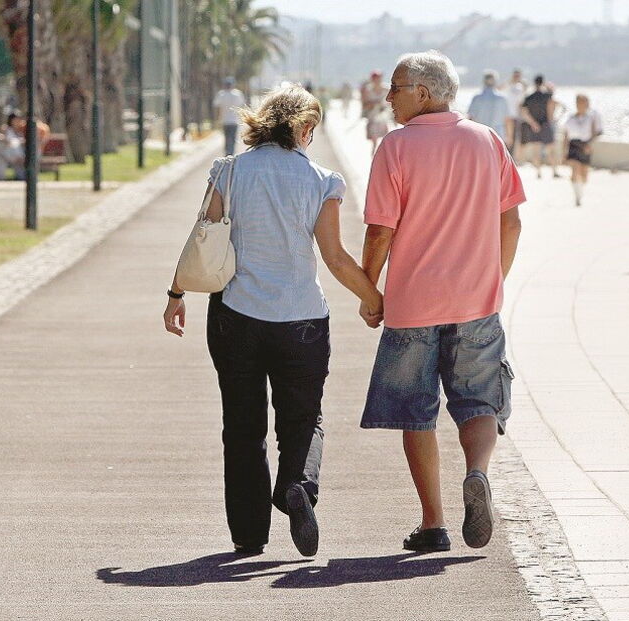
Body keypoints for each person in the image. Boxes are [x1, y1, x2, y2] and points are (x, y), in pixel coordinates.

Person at [163, 85, 383, 557]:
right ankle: (297, 486)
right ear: (305, 129)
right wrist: (375, 300)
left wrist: (176, 294)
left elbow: (202, 239)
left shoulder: (228, 170)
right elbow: (335, 258)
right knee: (303, 419)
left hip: (235, 316)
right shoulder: (323, 180)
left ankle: (248, 534)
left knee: (242, 425)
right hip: (301, 318)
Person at [359, 50, 525, 553]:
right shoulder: (486, 139)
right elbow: (511, 221)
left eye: (397, 87)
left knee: (416, 412)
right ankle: (477, 472)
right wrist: (493, 279)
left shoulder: (397, 146)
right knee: (479, 401)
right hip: (477, 301)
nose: (388, 96)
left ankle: (433, 524)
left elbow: (380, 231)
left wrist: (370, 292)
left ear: (424, 93)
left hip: (413, 304)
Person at [564, 94, 603, 206]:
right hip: (573, 145)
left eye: (582, 102)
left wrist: (589, 145)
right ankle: (577, 195)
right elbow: (566, 134)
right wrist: (564, 151)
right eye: (578, 102)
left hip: (585, 145)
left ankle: (580, 191)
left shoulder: (592, 117)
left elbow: (595, 133)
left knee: (584, 175)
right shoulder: (571, 118)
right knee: (575, 170)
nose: (579, 105)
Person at [520, 75, 557, 178]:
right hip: (545, 124)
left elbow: (523, 112)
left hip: (534, 126)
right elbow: (550, 110)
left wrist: (533, 123)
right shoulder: (547, 95)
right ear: (542, 82)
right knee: (550, 150)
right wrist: (550, 122)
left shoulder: (529, 97)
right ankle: (554, 171)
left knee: (536, 150)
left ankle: (538, 172)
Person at [467, 70, 513, 144]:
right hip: (498, 136)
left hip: (480, 136)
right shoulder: (502, 98)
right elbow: (507, 120)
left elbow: (470, 118)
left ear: (483, 81)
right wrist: (509, 137)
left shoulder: (477, 98)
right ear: (495, 81)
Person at [213, 77, 247, 156]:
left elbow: (217, 106)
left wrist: (217, 118)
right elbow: (242, 106)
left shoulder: (221, 94)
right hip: (234, 121)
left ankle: (227, 153)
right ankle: (231, 154)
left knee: (227, 138)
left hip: (225, 120)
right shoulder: (238, 94)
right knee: (233, 138)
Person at [362, 70, 389, 156]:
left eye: (379, 78)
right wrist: (373, 104)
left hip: (384, 116)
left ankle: (385, 155)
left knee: (386, 137)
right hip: (372, 116)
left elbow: (391, 102)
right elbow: (364, 104)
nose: (377, 80)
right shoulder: (368, 90)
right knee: (374, 138)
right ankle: (374, 156)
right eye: (375, 78)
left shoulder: (386, 89)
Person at [503, 69, 527, 158]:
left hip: (516, 116)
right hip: (508, 116)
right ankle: (507, 156)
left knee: (515, 138)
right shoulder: (508, 85)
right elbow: (499, 89)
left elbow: (522, 99)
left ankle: (512, 157)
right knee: (508, 138)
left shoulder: (520, 86)